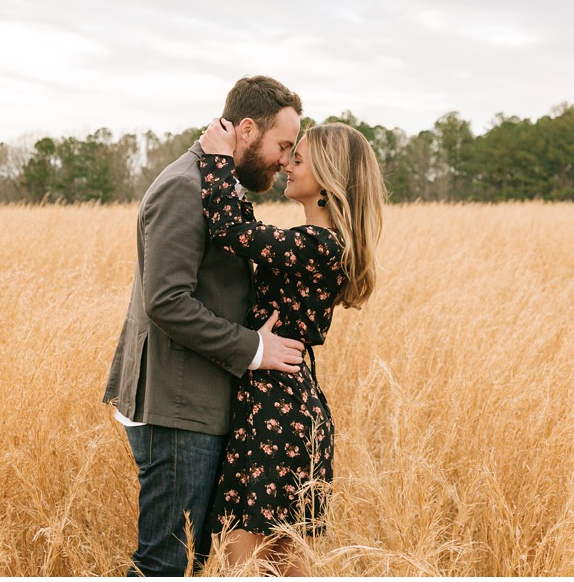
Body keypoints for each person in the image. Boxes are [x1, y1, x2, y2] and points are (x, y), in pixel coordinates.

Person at [104, 76, 308, 577]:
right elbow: (166, 301)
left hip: (193, 403)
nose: (286, 159)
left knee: (185, 562)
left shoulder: (215, 183)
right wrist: (254, 348)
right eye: (283, 145)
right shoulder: (183, 186)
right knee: (163, 565)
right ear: (245, 130)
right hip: (175, 409)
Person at [195, 118, 384, 576]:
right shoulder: (315, 242)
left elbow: (231, 231)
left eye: (297, 160)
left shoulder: (317, 244)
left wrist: (218, 158)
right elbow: (249, 231)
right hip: (286, 404)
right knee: (281, 559)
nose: (286, 168)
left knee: (245, 561)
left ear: (328, 178)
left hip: (276, 411)